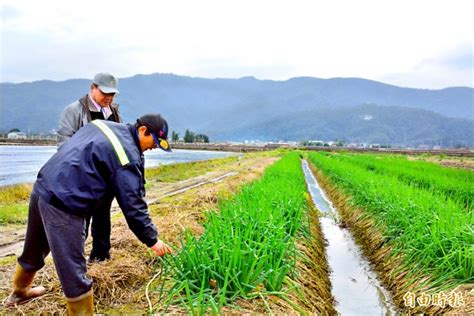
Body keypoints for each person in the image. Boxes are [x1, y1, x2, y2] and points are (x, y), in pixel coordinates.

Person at [5, 114, 173, 314]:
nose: (154, 147)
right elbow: (133, 205)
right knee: (74, 272)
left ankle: (20, 292)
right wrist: (153, 240)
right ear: (143, 130)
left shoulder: (104, 126)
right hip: (65, 204)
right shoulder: (127, 155)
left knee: (34, 249)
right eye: (154, 142)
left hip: (43, 188)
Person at [58, 72, 122, 262]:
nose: (108, 98)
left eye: (112, 94)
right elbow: (64, 145)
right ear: (92, 88)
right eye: (104, 93)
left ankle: (100, 257)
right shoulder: (74, 111)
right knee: (80, 221)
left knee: (103, 218)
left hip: (105, 178)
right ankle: (75, 262)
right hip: (82, 177)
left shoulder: (114, 112)